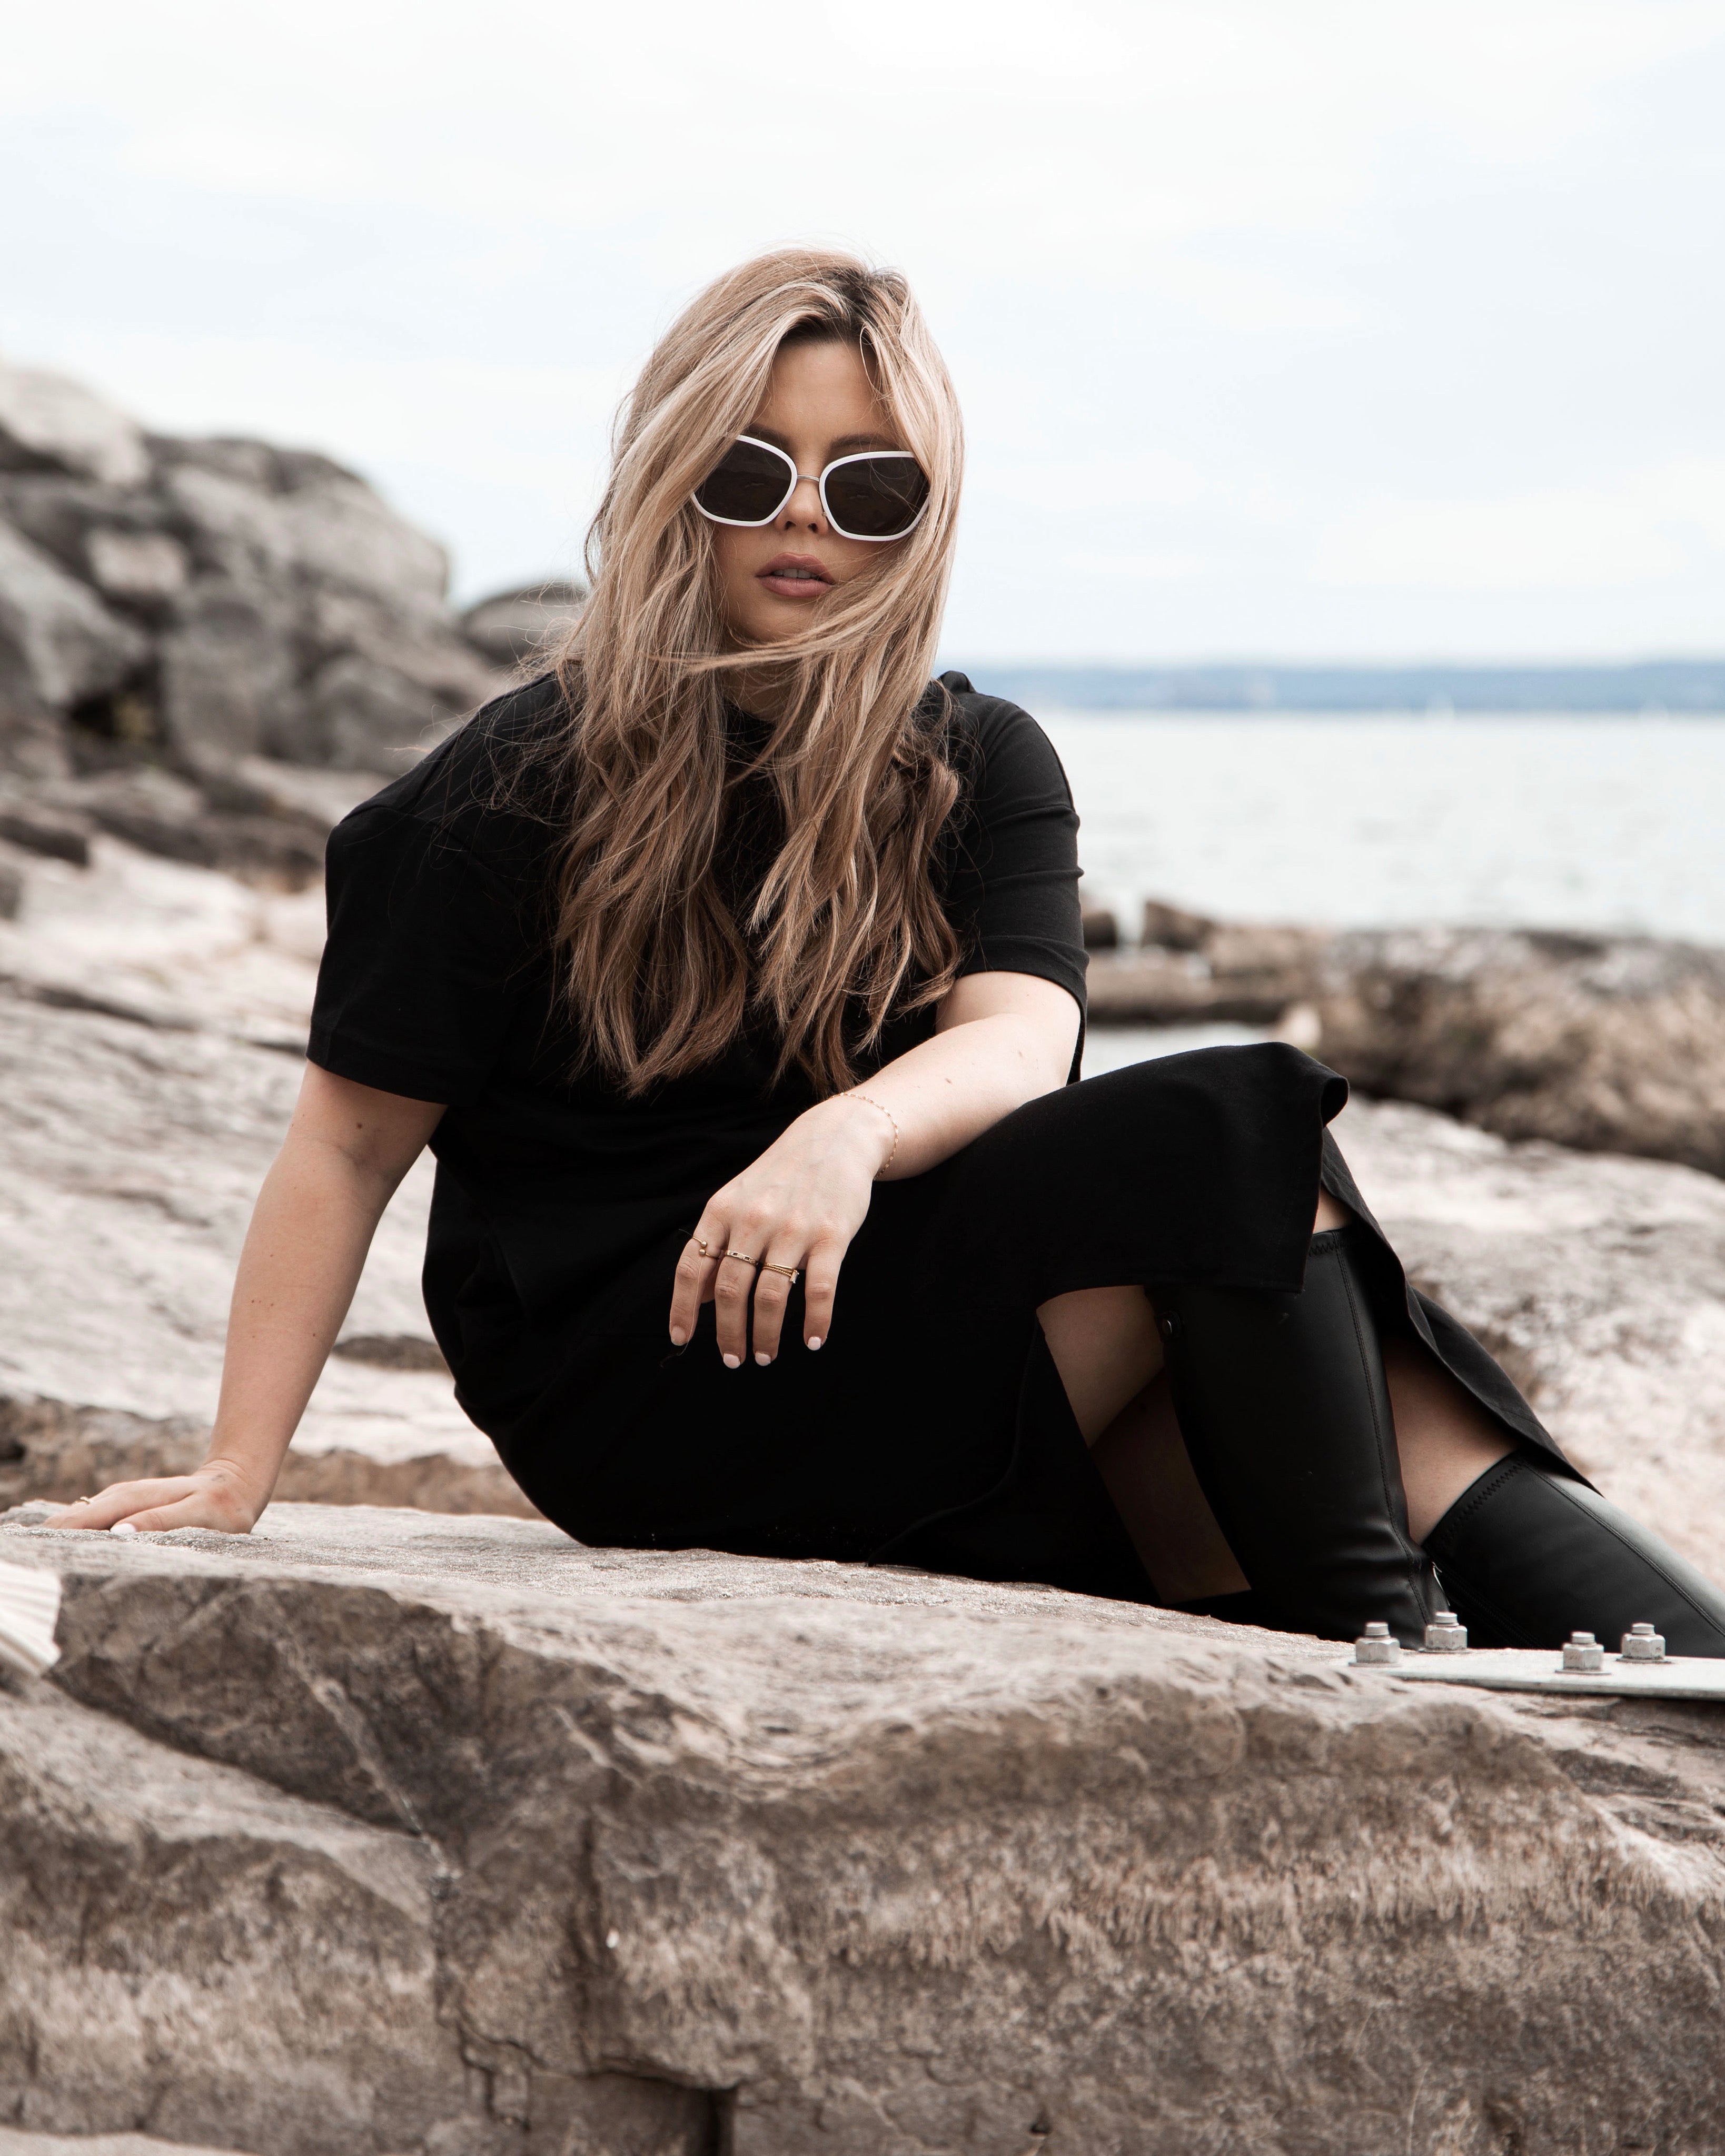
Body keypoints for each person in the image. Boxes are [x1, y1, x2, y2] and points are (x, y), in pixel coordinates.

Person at [47, 249, 1725, 1656]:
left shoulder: (975, 761)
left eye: (867, 483)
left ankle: (1596, 1657)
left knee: (1283, 1255)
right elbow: (345, 1143)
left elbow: (1017, 1041)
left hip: (880, 1299)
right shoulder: (498, 794)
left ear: (921, 512)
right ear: (671, 482)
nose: (806, 519)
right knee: (1232, 1132)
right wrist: (237, 1469)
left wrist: (841, 1134)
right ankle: (1391, 1637)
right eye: (747, 468)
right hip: (642, 1380)